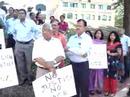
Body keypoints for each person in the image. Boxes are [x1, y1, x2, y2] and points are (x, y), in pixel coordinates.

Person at [9, 9, 40, 86]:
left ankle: (29, 79)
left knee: (29, 63)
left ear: (25, 15)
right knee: (20, 63)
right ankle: (23, 78)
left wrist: (34, 39)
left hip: (29, 45)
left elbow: (37, 31)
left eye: (22, 13)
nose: (20, 14)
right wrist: (17, 39)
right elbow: (12, 32)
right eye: (19, 13)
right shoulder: (15, 23)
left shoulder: (31, 23)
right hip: (18, 45)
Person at [66, 19, 92, 97]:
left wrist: (71, 49)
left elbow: (82, 52)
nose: (77, 27)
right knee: (73, 88)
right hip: (72, 65)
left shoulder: (87, 39)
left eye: (80, 26)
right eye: (77, 25)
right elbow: (67, 52)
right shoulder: (72, 38)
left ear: (85, 28)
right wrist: (74, 50)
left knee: (84, 87)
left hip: (83, 66)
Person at [104, 31, 123, 97]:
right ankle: (106, 90)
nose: (112, 36)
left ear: (116, 37)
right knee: (106, 76)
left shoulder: (118, 44)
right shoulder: (107, 44)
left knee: (112, 77)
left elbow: (119, 53)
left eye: (113, 35)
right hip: (106, 62)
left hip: (113, 63)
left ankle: (113, 91)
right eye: (111, 35)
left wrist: (111, 54)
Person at [89, 29, 105, 95]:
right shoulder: (91, 41)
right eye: (97, 33)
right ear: (95, 34)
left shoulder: (103, 42)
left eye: (100, 33)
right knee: (91, 75)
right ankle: (91, 89)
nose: (98, 34)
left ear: (101, 35)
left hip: (100, 62)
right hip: (93, 61)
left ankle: (99, 88)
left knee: (100, 76)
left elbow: (104, 52)